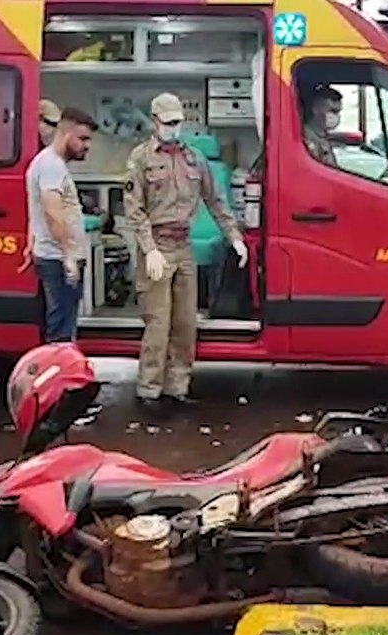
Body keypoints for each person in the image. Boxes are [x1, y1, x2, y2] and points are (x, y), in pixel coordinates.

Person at [124, 92, 247, 414]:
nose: (174, 128)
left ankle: (176, 388)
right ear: (154, 122)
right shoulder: (141, 159)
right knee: (157, 323)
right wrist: (148, 249)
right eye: (168, 123)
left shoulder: (195, 159)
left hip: (184, 245)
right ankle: (148, 391)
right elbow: (134, 210)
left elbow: (216, 200)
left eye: (178, 122)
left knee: (185, 324)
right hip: (158, 246)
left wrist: (234, 237)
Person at [24, 106, 97, 342]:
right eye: (83, 138)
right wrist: (69, 256)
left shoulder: (48, 164)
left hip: (54, 257)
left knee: (60, 324)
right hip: (58, 260)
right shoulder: (51, 165)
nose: (87, 146)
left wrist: (31, 242)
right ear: (66, 134)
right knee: (61, 332)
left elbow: (36, 210)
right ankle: (59, 377)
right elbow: (52, 210)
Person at [303, 85, 342, 167]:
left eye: (338, 112)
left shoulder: (321, 137)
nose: (336, 116)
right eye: (332, 111)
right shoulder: (305, 139)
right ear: (315, 109)